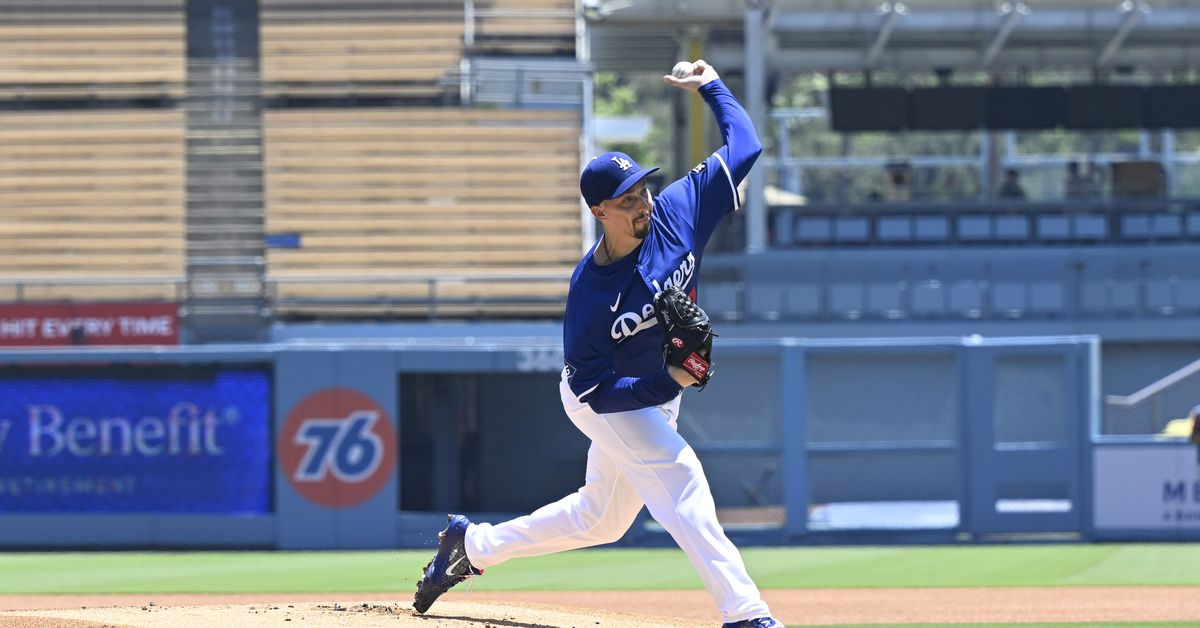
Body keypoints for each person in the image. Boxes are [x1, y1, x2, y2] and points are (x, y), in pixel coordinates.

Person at [412, 60, 781, 628]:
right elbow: (594, 388)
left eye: (642, 189)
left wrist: (711, 85)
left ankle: (472, 545)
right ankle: (745, 613)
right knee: (681, 475)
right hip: (603, 398)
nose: (643, 203)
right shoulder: (590, 293)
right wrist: (667, 382)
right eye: (627, 199)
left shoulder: (679, 213)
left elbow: (747, 144)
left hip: (657, 392)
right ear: (598, 211)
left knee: (600, 520)